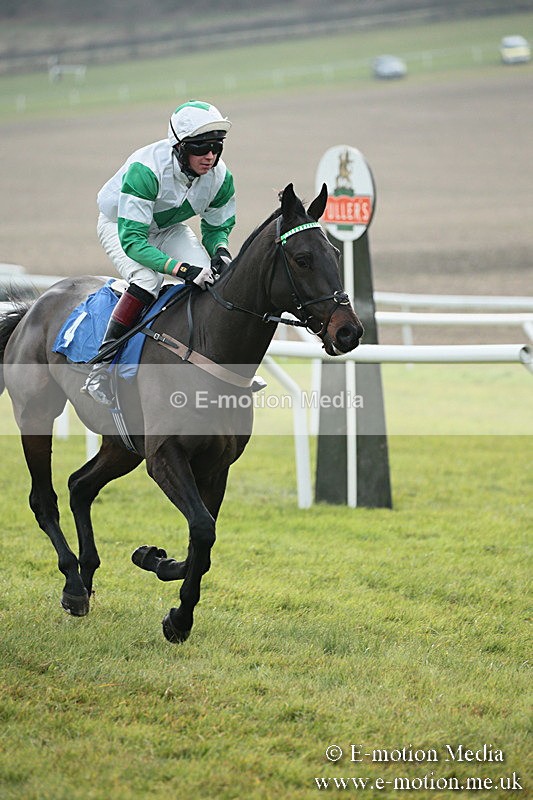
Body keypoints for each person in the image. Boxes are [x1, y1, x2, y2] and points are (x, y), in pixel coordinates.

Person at [82, 99, 235, 405]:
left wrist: (220, 250)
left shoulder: (220, 178)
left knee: (212, 279)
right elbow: (135, 242)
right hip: (121, 226)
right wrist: (179, 270)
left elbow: (217, 227)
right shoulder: (146, 170)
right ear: (180, 147)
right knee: (148, 281)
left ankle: (221, 366)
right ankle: (102, 367)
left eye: (217, 146)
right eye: (201, 148)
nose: (210, 156)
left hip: (168, 227)